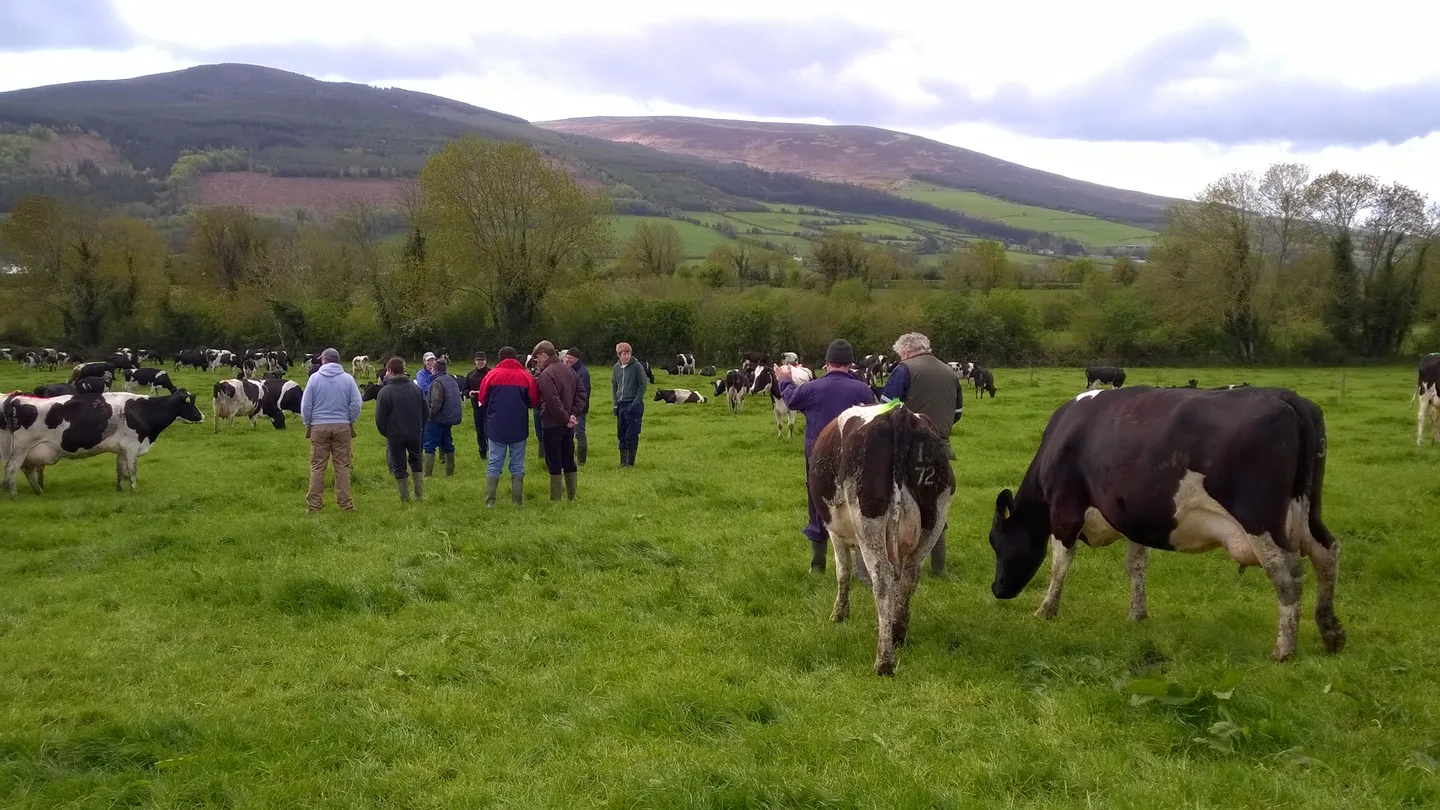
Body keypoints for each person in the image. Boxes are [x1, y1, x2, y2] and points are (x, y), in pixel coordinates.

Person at [775, 338, 876, 574]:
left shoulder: (813, 388)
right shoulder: (862, 389)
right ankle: (863, 571)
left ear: (827, 363)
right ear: (850, 364)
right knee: (858, 504)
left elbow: (791, 400)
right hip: (855, 456)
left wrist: (785, 380)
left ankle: (817, 564)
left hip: (819, 456)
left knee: (818, 504)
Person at [880, 331, 964, 578]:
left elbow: (885, 406)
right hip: (940, 447)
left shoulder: (904, 369)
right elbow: (958, 412)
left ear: (905, 351)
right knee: (936, 505)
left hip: (906, 448)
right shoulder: (950, 372)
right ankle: (940, 567)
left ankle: (895, 565)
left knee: (897, 504)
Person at [300, 347, 363, 513]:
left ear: (323, 360)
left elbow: (306, 405)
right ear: (338, 360)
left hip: (319, 426)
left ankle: (314, 506)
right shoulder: (348, 379)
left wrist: (309, 423)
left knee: (318, 466)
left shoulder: (314, 379)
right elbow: (357, 403)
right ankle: (345, 504)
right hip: (342, 426)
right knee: (342, 466)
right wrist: (349, 420)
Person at [475, 346, 540, 507]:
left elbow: (482, 399)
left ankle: (490, 501)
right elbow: (533, 401)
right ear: (515, 357)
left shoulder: (491, 375)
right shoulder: (526, 376)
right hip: (518, 426)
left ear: (500, 358)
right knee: (517, 464)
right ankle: (517, 501)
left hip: (496, 427)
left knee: (494, 462)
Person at [533, 341, 588, 500]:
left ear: (544, 354)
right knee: (568, 458)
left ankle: (555, 498)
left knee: (554, 461)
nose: (538, 362)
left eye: (538, 359)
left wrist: (565, 418)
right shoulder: (570, 370)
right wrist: (573, 415)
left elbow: (552, 400)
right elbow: (581, 393)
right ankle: (572, 496)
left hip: (552, 424)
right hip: (568, 425)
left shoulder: (546, 374)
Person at [374, 356, 427, 502]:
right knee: (416, 460)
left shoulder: (385, 392)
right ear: (403, 370)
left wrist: (387, 432)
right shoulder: (417, 389)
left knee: (399, 465)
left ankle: (405, 498)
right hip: (415, 432)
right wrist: (419, 427)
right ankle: (419, 494)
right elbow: (425, 412)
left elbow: (380, 418)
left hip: (395, 435)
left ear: (390, 370)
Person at [424, 356, 462, 476]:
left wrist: (429, 416)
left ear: (435, 369)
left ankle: (427, 475)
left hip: (438, 418)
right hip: (449, 418)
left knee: (429, 446)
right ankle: (450, 473)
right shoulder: (451, 379)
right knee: (447, 443)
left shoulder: (437, 382)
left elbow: (436, 403)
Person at [611, 341, 647, 467]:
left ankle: (630, 463)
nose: (626, 356)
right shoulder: (616, 368)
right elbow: (614, 386)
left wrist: (636, 402)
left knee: (631, 434)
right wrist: (615, 404)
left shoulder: (637, 366)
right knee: (621, 433)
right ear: (619, 355)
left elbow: (642, 385)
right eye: (623, 354)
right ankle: (622, 462)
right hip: (621, 404)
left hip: (633, 404)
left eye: (628, 353)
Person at [563, 347, 592, 466]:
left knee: (580, 434)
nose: (567, 360)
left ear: (576, 358)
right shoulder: (570, 370)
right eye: (567, 358)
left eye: (570, 358)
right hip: (570, 408)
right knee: (571, 435)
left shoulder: (583, 373)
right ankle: (571, 459)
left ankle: (581, 461)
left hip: (579, 410)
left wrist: (577, 409)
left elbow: (584, 393)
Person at [465, 352, 491, 460]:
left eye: (482, 360)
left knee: (489, 430)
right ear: (475, 361)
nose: (480, 362)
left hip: (490, 407)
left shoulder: (491, 373)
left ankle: (492, 452)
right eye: (478, 360)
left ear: (486, 361)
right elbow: (465, 390)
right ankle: (482, 452)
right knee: (479, 430)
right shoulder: (470, 375)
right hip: (477, 407)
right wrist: (469, 393)